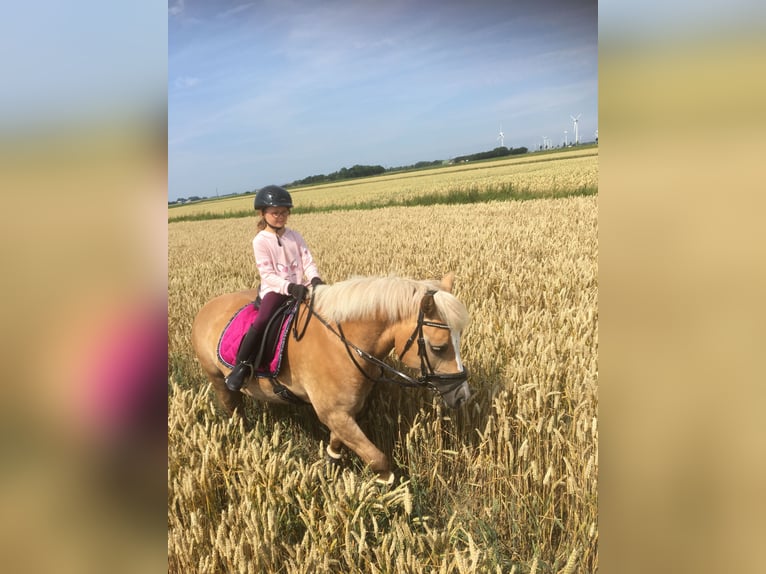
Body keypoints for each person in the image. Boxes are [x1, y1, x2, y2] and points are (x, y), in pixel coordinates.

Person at [225, 185, 324, 391]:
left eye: (284, 212)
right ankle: (241, 366)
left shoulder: (294, 236)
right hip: (275, 290)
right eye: (275, 212)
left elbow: (307, 260)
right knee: (262, 320)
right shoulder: (260, 241)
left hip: (301, 286)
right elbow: (267, 274)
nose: (280, 216)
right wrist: (289, 287)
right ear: (263, 213)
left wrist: (314, 278)